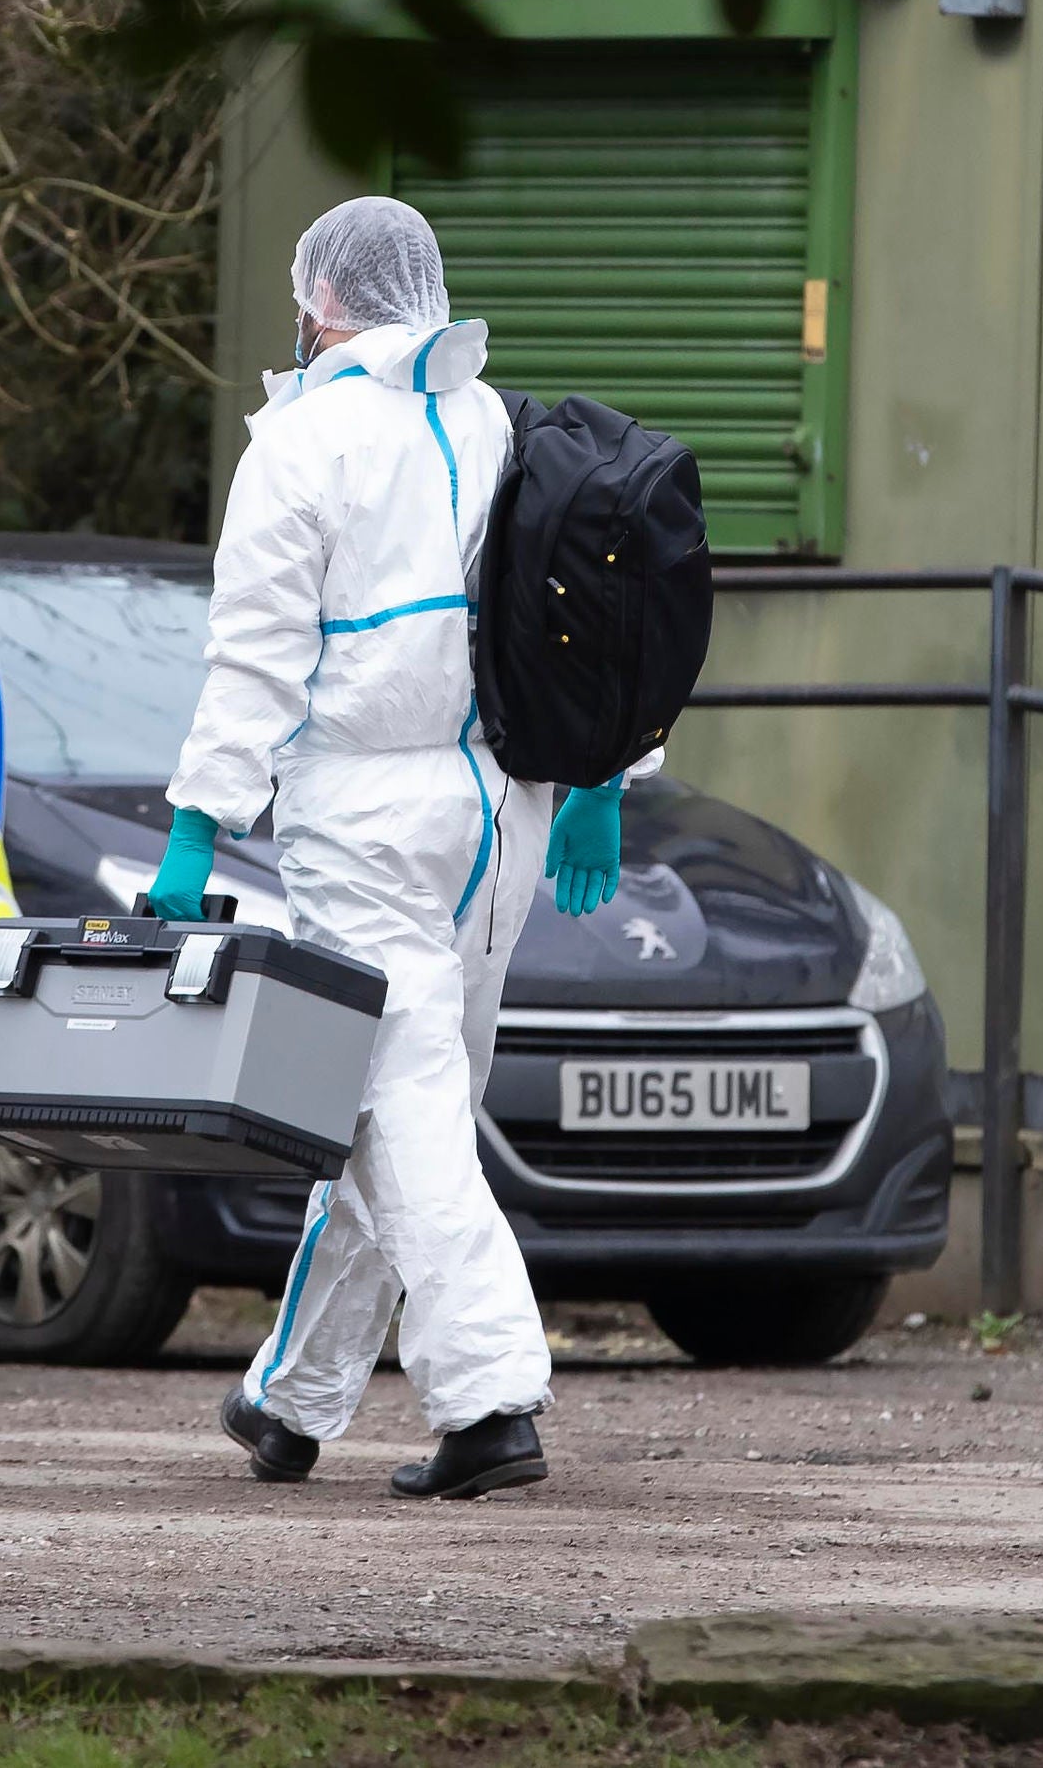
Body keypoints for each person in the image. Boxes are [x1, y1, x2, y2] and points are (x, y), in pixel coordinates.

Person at [147, 194, 640, 1502]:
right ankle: (292, 1398)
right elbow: (576, 609)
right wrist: (607, 772)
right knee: (398, 1100)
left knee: (401, 1108)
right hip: (497, 818)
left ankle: (488, 1393)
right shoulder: (490, 419)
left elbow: (255, 652)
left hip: (361, 816)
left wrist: (199, 823)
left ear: (320, 300)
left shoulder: (302, 444)